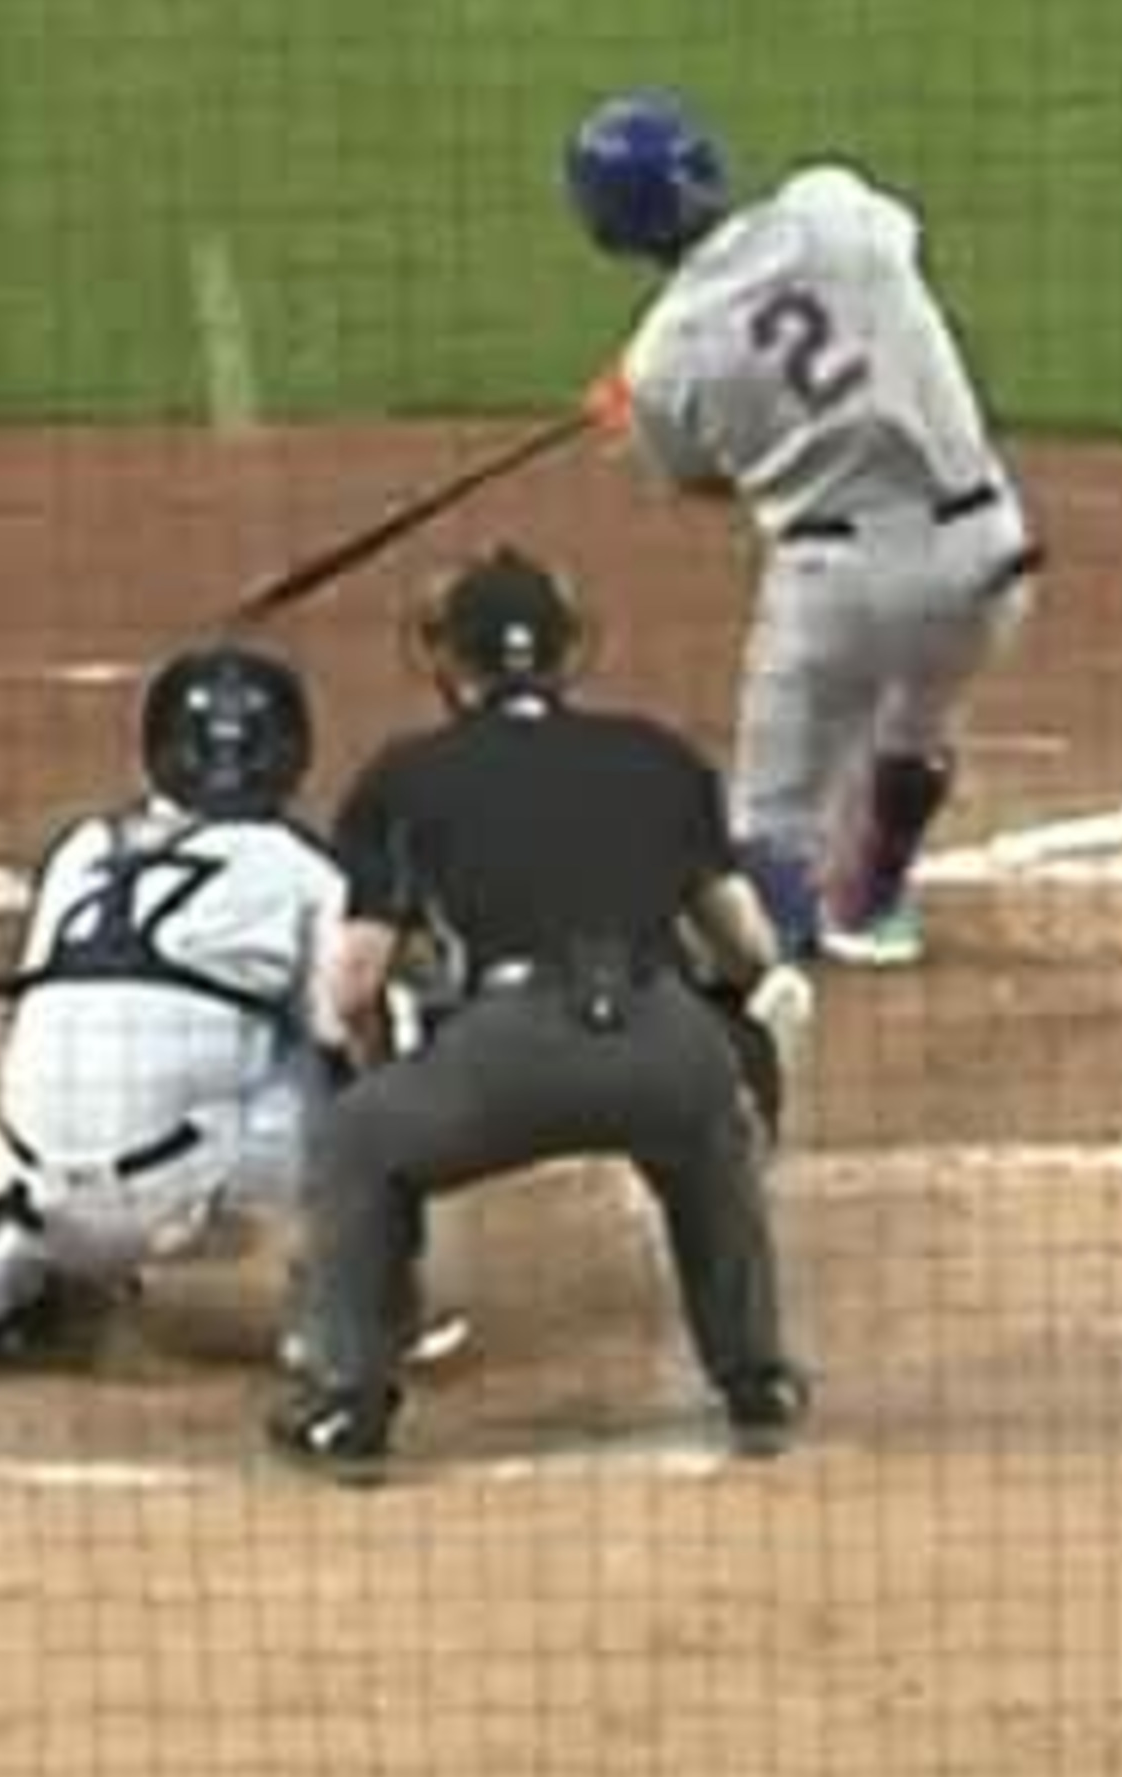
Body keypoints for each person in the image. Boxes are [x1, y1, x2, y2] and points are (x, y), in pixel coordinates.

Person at [270, 546, 812, 1478]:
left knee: (361, 1141)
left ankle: (347, 1404)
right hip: (661, 1036)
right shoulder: (658, 754)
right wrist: (733, 1055)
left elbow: (352, 986)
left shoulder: (407, 773)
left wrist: (381, 1070)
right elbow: (750, 951)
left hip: (506, 1052)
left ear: (447, 660)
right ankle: (756, 1379)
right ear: (569, 653)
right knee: (706, 1134)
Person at [567, 88, 1038, 970]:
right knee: (918, 720)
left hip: (842, 587)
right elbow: (880, 264)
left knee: (769, 819)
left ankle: (775, 995)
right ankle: (874, 900)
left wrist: (630, 411)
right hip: (988, 552)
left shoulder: (665, 353)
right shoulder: (832, 209)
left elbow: (706, 481)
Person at [0, 643, 352, 1368]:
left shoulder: (81, 848)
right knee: (353, 1071)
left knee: (76, 1036)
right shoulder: (304, 872)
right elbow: (343, 1026)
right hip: (174, 1196)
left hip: (32, 1174)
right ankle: (343, 1315)